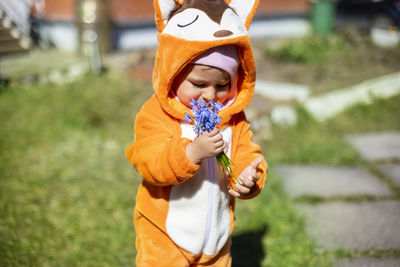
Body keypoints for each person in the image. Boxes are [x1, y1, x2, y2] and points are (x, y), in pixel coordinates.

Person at [125, 0, 267, 266]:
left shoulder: (232, 118)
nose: (211, 96)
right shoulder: (157, 114)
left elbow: (246, 152)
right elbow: (148, 161)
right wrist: (191, 152)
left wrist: (249, 176)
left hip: (217, 238)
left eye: (223, 84)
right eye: (199, 84)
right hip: (165, 236)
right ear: (174, 74)